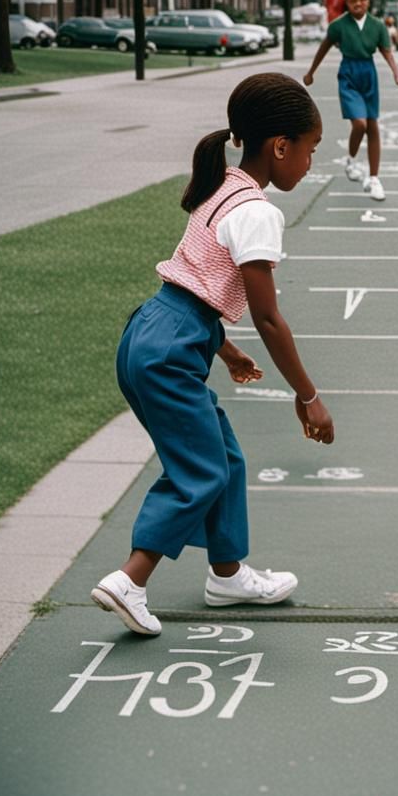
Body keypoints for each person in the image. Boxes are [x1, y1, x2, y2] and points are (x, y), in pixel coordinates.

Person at [91, 73, 335, 636]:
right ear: (280, 146)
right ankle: (130, 579)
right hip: (171, 347)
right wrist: (309, 396)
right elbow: (270, 317)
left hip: (154, 333)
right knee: (198, 471)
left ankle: (226, 575)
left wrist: (224, 352)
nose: (309, 163)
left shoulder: (223, 187)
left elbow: (194, 283)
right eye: (311, 150)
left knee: (222, 457)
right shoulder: (257, 212)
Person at [304, 0, 398, 203]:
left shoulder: (378, 26)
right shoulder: (339, 25)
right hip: (349, 74)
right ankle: (351, 160)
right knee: (359, 123)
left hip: (369, 74)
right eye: (353, 0)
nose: (358, 4)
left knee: (373, 127)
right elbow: (323, 48)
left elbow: (386, 52)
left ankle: (374, 178)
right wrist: (312, 72)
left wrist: (396, 74)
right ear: (346, 1)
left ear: (369, 0)